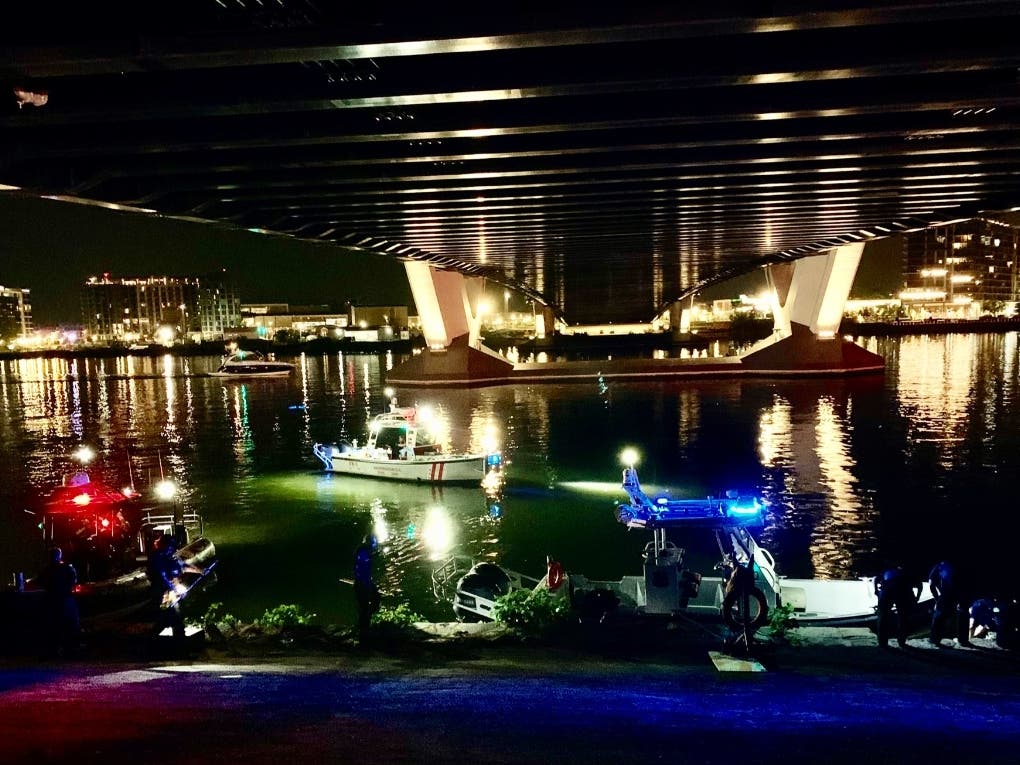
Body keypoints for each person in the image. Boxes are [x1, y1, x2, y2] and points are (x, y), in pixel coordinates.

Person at [146, 532, 202, 652]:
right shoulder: (158, 557)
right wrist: (173, 588)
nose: (173, 549)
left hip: (170, 591)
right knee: (173, 616)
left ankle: (155, 639)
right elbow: (163, 575)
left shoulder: (170, 557)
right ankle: (178, 643)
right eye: (170, 546)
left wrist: (199, 570)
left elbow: (182, 566)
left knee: (169, 616)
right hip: (162, 592)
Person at [35, 546, 81, 657]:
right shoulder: (67, 567)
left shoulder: (46, 569)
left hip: (52, 600)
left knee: (54, 626)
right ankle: (69, 650)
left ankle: (54, 650)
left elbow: (39, 581)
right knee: (69, 625)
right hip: (65, 599)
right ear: (59, 555)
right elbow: (74, 579)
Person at [874, 565, 922, 648]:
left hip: (887, 590)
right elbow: (920, 586)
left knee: (883, 616)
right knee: (903, 617)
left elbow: (875, 579)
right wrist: (917, 598)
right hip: (903, 591)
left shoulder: (887, 571)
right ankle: (901, 642)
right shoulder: (909, 574)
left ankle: (882, 642)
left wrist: (876, 591)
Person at [929, 560, 972, 647]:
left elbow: (931, 583)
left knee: (939, 615)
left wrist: (937, 598)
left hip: (947, 592)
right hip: (963, 591)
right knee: (963, 613)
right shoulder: (964, 565)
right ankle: (963, 640)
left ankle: (934, 639)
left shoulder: (939, 566)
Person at [353, 534, 381, 646]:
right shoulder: (364, 553)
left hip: (364, 583)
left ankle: (363, 633)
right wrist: (367, 585)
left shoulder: (364, 551)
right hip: (362, 584)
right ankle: (363, 637)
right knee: (365, 609)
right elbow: (362, 570)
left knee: (368, 607)